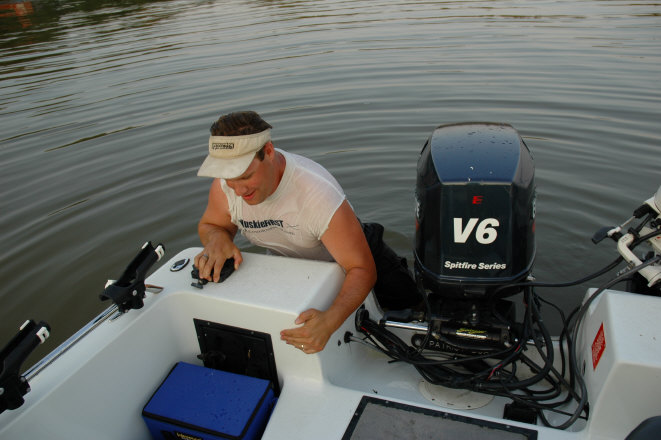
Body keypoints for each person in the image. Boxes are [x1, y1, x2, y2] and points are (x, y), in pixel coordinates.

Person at [194, 111, 377, 354]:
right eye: (229, 179)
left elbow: (362, 268)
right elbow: (211, 225)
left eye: (246, 176)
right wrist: (217, 238)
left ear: (269, 151)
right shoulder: (224, 188)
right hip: (285, 272)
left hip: (342, 269)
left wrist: (330, 321)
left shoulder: (316, 195)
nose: (238, 191)